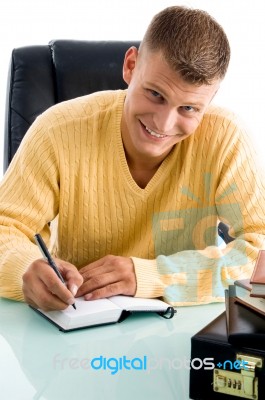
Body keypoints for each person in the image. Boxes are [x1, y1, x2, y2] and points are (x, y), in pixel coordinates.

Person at [0, 6, 265, 311]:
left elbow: (261, 249)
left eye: (189, 109)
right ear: (130, 65)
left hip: (181, 327)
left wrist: (154, 276)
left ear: (210, 100)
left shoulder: (227, 137)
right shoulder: (57, 130)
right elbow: (5, 227)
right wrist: (24, 268)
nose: (163, 125)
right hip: (77, 321)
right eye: (155, 94)